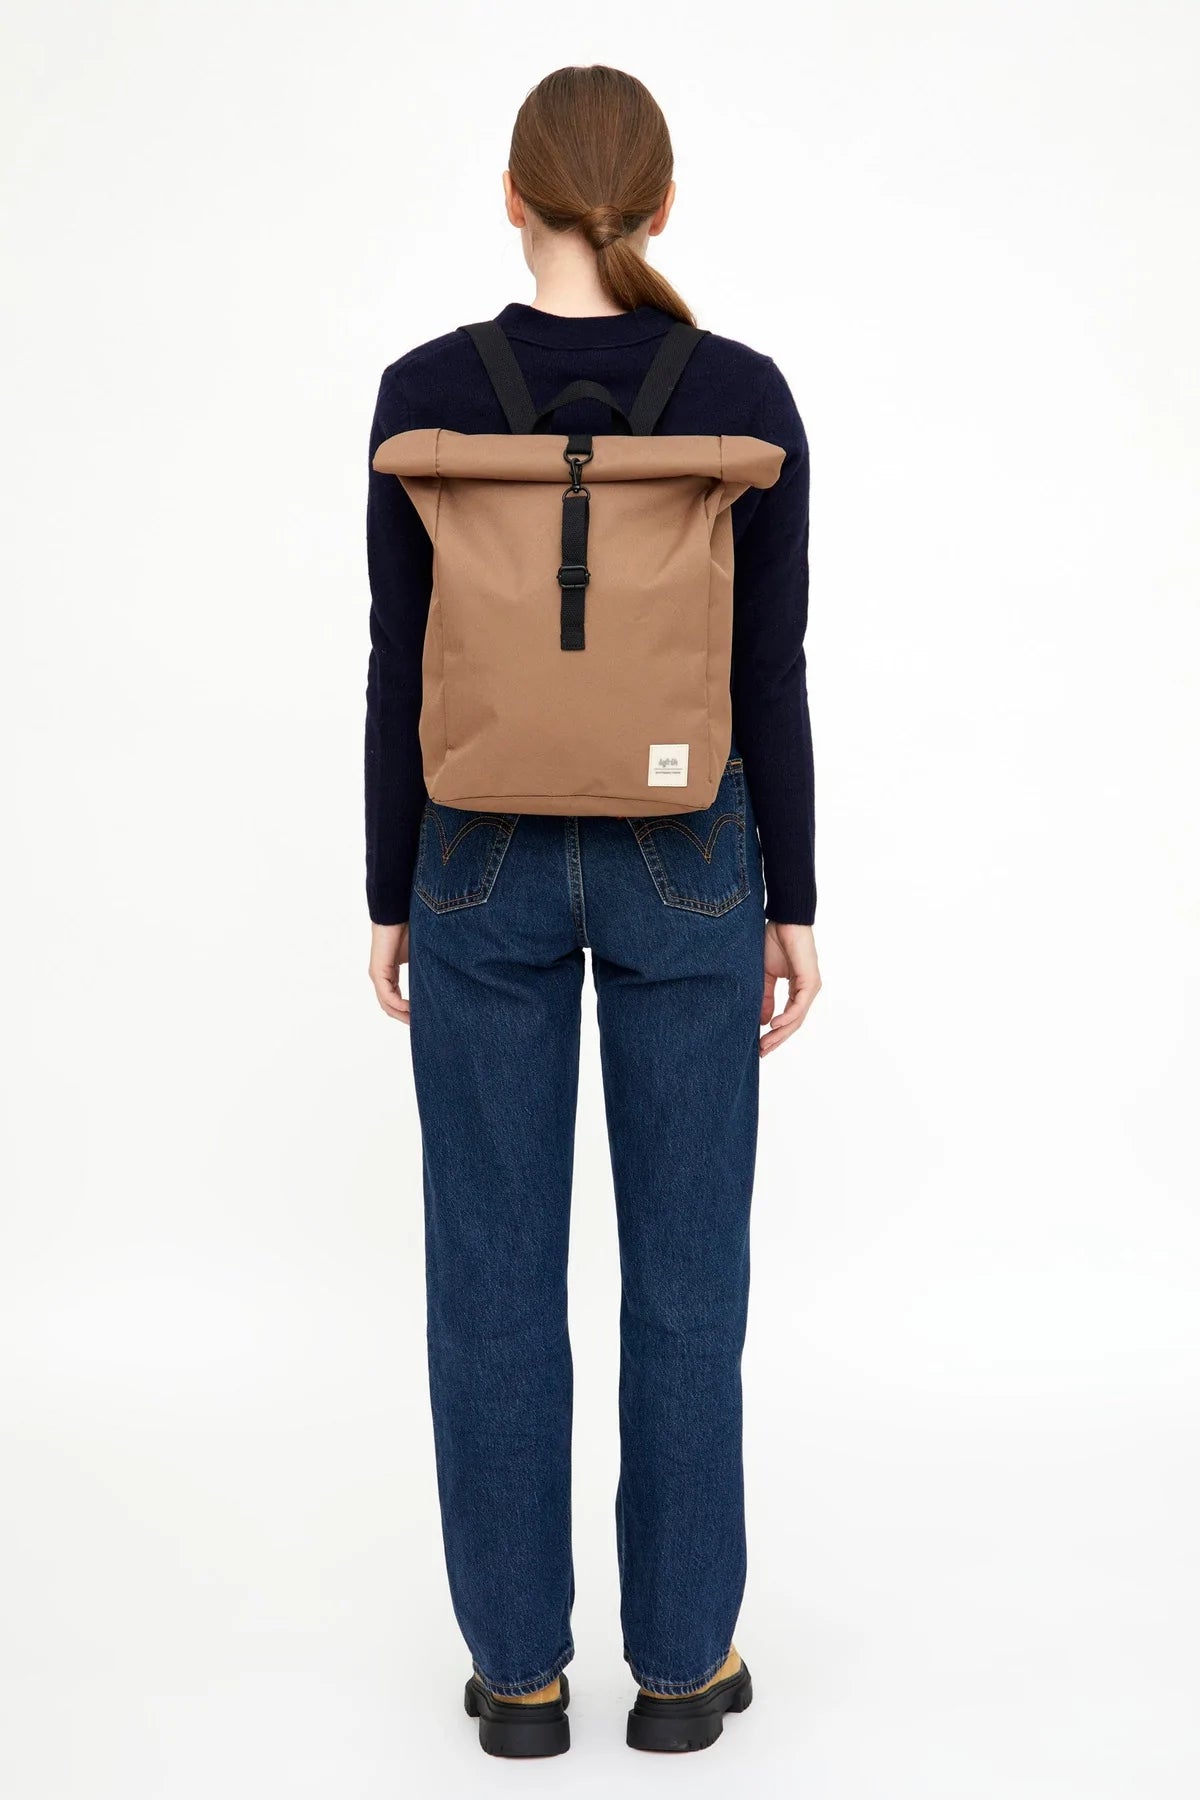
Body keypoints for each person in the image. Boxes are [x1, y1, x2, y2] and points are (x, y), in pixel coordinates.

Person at [364, 64, 821, 1758]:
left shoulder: (424, 394)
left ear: (512, 197)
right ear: (663, 204)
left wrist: (390, 887)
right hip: (690, 848)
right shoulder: (742, 395)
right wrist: (793, 898)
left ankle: (518, 1678)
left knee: (490, 1276)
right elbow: (767, 667)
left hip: (473, 847)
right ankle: (683, 1672)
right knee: (688, 1279)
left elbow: (398, 660)